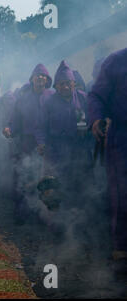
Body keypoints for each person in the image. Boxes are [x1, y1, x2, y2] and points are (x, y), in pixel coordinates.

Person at [88, 48, 127, 278]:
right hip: (121, 137)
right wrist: (95, 118)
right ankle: (121, 250)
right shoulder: (115, 61)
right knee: (122, 196)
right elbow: (96, 96)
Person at [37, 61, 93, 210]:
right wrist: (41, 143)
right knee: (59, 189)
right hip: (57, 154)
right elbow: (41, 128)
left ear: (74, 83)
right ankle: (63, 223)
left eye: (68, 83)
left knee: (82, 187)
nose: (65, 87)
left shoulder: (84, 99)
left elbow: (94, 121)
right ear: (56, 86)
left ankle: (82, 220)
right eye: (61, 84)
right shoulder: (49, 104)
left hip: (81, 152)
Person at [3, 64, 54, 225]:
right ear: (31, 80)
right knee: (24, 176)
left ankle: (43, 215)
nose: (40, 79)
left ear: (47, 80)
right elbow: (14, 121)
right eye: (37, 76)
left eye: (43, 76)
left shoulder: (53, 96)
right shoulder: (23, 99)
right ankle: (21, 213)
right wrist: (9, 129)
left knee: (45, 179)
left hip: (48, 145)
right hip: (27, 143)